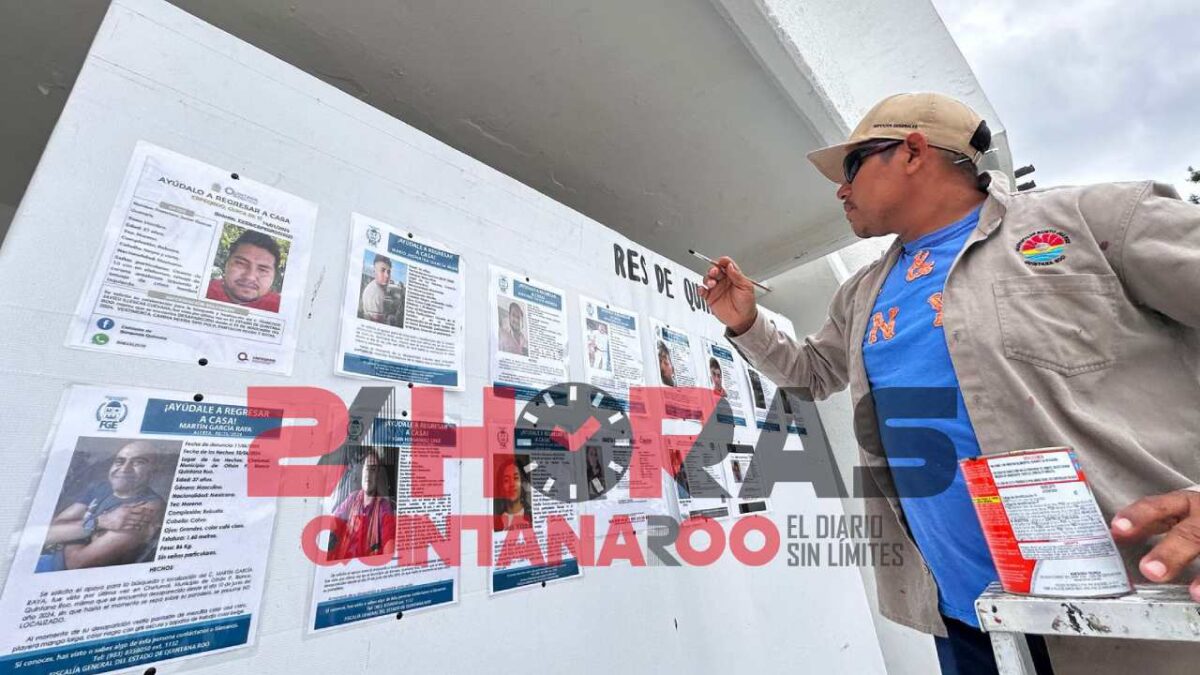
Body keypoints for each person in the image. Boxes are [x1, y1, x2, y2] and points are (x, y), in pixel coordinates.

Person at [698, 92, 1200, 675]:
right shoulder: (861, 295)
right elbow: (813, 373)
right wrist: (745, 322)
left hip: (1141, 620)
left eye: (852, 167)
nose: (840, 190)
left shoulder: (1096, 223)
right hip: (967, 620)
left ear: (913, 151)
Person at [38, 441, 168, 572]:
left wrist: (69, 533)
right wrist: (99, 522)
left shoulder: (146, 508)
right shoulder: (102, 487)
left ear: (154, 470)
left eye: (138, 462)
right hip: (46, 558)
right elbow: (51, 530)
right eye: (120, 461)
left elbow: (76, 562)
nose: (124, 469)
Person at [330, 449, 396, 561]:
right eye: (367, 468)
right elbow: (334, 522)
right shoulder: (352, 498)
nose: (369, 473)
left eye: (373, 469)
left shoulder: (384, 507)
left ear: (378, 476)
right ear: (362, 472)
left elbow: (388, 540)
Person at [205, 230, 282, 312]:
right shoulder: (206, 291)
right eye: (241, 264)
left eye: (262, 270)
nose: (250, 277)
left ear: (274, 276)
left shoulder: (280, 307)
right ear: (226, 264)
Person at [359, 254, 406, 327]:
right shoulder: (375, 294)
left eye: (389, 271)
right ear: (374, 271)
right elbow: (379, 325)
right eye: (382, 270)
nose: (387, 275)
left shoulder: (376, 285)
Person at [493, 456, 532, 531]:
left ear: (522, 483)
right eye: (506, 480)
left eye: (516, 478)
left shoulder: (532, 516)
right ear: (501, 486)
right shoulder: (495, 522)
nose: (512, 484)